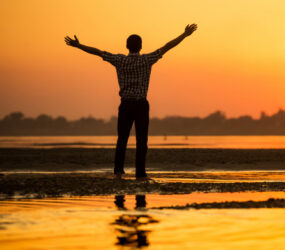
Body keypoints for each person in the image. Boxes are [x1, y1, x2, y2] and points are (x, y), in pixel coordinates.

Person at [65, 24, 198, 180]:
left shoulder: (120, 60)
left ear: (127, 46)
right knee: (142, 141)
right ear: (140, 47)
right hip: (141, 105)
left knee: (122, 140)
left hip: (126, 105)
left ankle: (118, 173)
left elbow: (98, 52)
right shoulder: (147, 60)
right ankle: (140, 175)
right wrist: (184, 35)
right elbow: (167, 46)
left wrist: (78, 45)